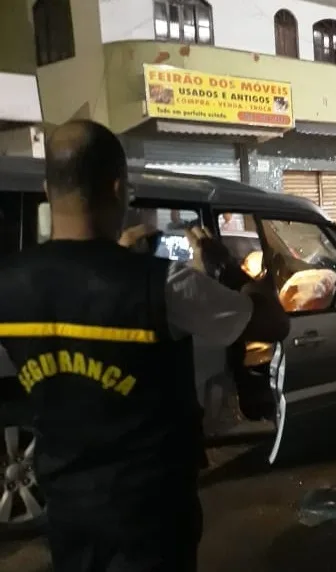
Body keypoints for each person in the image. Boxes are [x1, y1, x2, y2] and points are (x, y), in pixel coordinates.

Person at [0, 120, 289, 571]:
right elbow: (273, 323)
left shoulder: (9, 285)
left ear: (46, 189)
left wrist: (116, 255)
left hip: (68, 518)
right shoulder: (162, 286)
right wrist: (227, 266)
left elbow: (77, 297)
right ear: (118, 188)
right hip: (149, 524)